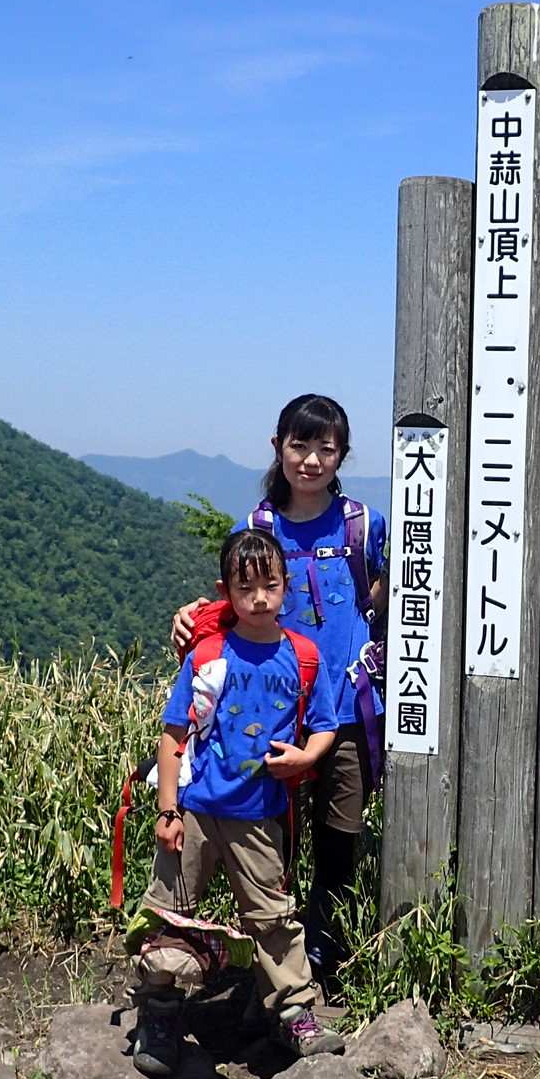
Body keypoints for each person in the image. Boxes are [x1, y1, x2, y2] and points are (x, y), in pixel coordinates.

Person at [172, 395, 387, 984]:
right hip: (269, 719)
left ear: (342, 455)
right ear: (278, 447)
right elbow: (237, 608)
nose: (311, 460)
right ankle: (275, 973)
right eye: (300, 445)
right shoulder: (255, 529)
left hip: (348, 710)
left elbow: (394, 595)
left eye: (326, 448)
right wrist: (192, 617)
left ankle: (324, 962)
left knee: (338, 844)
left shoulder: (365, 526)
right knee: (272, 850)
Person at [132, 528, 350, 1077]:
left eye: (270, 586)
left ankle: (293, 1014)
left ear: (285, 586)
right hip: (196, 813)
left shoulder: (303, 656)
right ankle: (159, 1013)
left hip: (259, 816)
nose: (258, 598)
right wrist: (167, 810)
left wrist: (305, 758)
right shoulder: (207, 654)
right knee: (169, 912)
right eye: (245, 587)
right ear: (224, 590)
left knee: (272, 918)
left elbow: (324, 725)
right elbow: (173, 736)